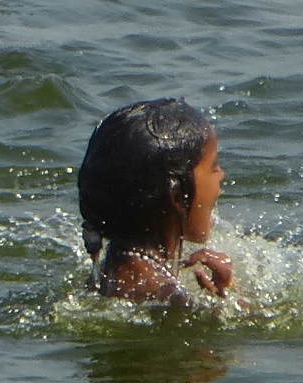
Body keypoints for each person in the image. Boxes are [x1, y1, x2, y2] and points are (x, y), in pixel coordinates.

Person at [76, 98, 235, 306]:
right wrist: (226, 297)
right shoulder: (167, 298)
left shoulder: (117, 266)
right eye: (213, 167)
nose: (221, 175)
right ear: (177, 195)